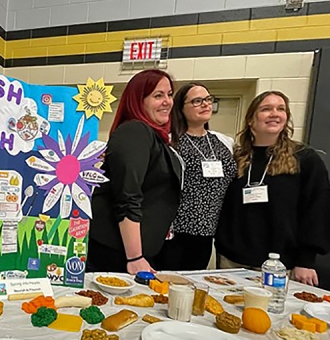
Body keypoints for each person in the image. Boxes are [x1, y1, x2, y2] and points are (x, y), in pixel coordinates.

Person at [215, 91, 330, 286]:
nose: (274, 113)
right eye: (266, 109)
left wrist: (305, 260)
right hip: (232, 261)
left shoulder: (305, 159)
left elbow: (317, 210)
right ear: (250, 120)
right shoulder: (236, 158)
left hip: (280, 265)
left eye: (280, 109)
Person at [88, 69, 183, 275]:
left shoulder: (155, 138)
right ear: (137, 101)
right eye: (158, 95)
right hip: (118, 253)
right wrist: (135, 257)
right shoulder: (134, 131)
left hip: (133, 251)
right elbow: (127, 196)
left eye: (169, 94)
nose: (167, 101)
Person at [163, 83, 237, 271]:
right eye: (197, 101)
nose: (205, 104)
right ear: (181, 108)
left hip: (209, 233)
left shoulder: (223, 141)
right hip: (176, 232)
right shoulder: (171, 142)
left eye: (208, 99)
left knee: (194, 285)